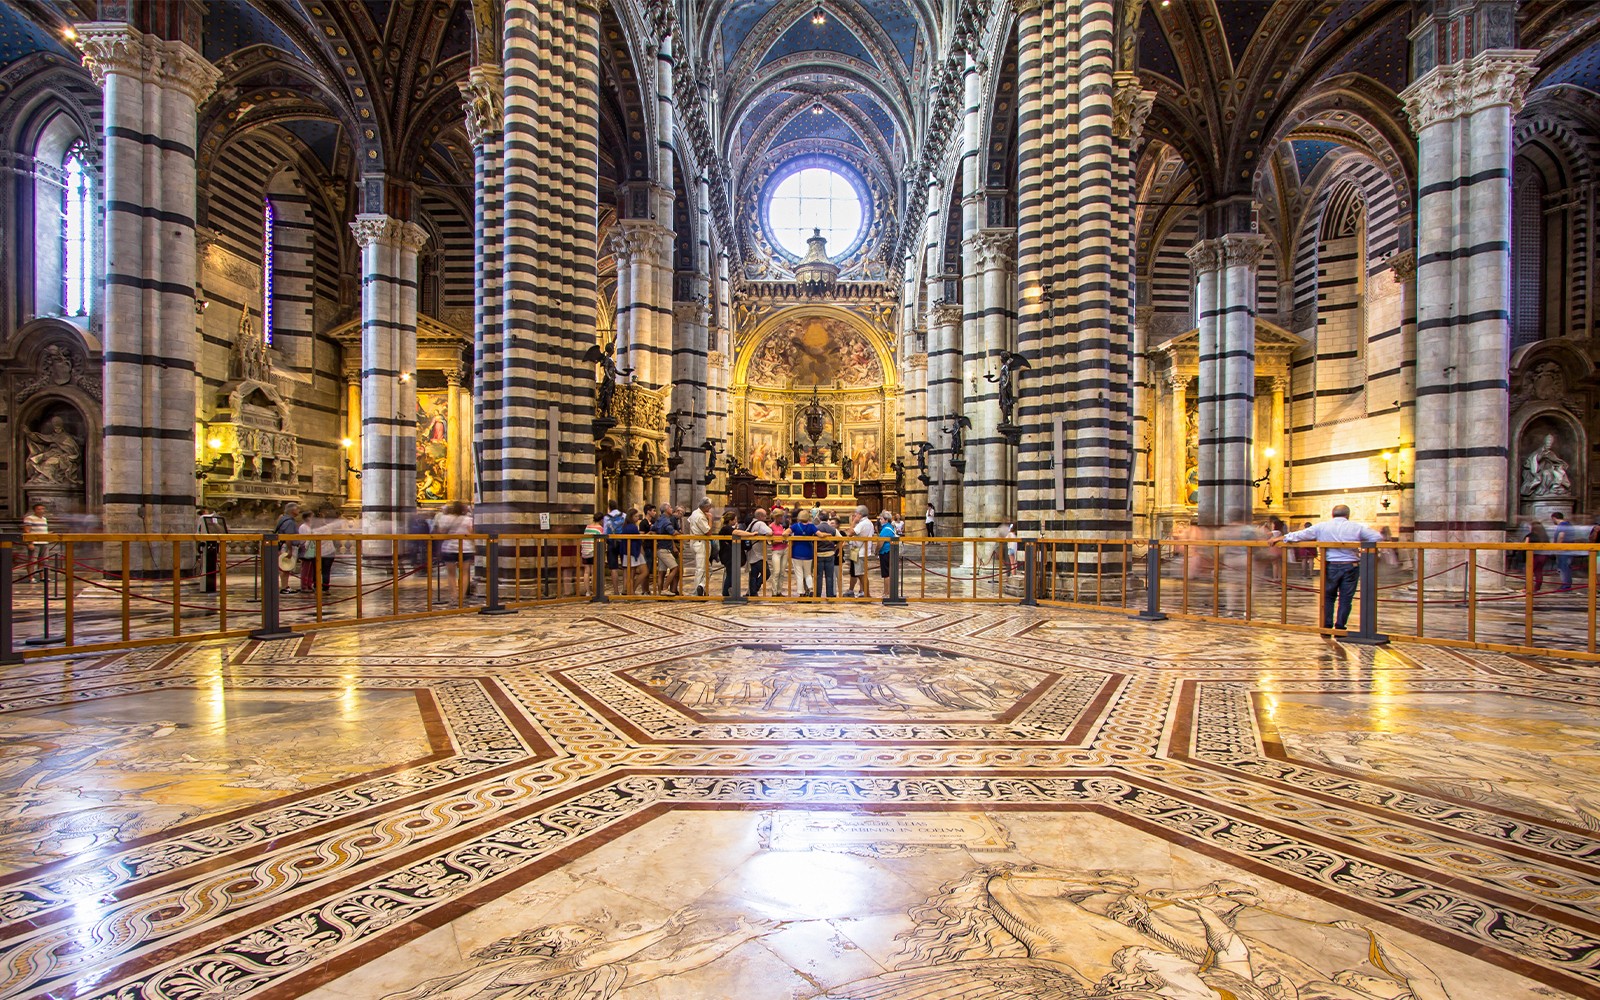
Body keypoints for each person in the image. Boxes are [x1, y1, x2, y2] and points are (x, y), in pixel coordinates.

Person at [1273, 505, 1382, 630]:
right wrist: (1361, 547)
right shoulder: (1355, 527)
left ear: (1332, 514)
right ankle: (1340, 626)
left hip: (1330, 565)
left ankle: (1326, 626)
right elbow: (1377, 537)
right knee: (1346, 598)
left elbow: (1301, 535)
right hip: (1351, 565)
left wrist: (1282, 537)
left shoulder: (1322, 526)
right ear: (1347, 515)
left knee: (1329, 597)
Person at [433, 500, 476, 602]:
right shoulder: (468, 519)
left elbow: (441, 532)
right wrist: (474, 546)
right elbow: (471, 534)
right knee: (464, 573)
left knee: (451, 573)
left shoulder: (445, 518)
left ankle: (453, 595)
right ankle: (462, 596)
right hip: (465, 548)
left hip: (449, 548)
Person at [733, 508, 773, 596]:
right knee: (766, 573)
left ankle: (752, 592)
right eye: (765, 515)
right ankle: (754, 589)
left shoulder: (752, 523)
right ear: (760, 516)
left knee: (754, 574)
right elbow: (769, 532)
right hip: (758, 553)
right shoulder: (760, 523)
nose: (766, 517)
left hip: (751, 551)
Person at [685, 498, 713, 596]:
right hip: (700, 543)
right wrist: (710, 519)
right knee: (700, 568)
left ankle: (701, 585)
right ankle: (696, 593)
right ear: (706, 506)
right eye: (709, 506)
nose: (710, 508)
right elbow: (708, 532)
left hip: (695, 542)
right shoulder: (700, 516)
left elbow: (688, 523)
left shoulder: (694, 512)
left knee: (708, 569)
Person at [652, 505, 681, 596]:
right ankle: (665, 588)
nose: (672, 509)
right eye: (670, 507)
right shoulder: (666, 521)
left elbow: (652, 529)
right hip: (665, 548)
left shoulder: (659, 519)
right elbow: (672, 531)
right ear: (666, 510)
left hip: (660, 547)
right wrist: (677, 533)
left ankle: (660, 593)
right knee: (675, 568)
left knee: (661, 572)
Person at [789, 508, 818, 596]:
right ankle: (811, 589)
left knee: (799, 574)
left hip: (796, 552)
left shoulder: (795, 526)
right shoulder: (811, 526)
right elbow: (820, 534)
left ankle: (801, 593)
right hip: (808, 552)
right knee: (808, 573)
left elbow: (785, 533)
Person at [274, 501, 302, 593]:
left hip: (284, 545)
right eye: (297, 509)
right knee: (285, 567)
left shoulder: (284, 519)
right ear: (293, 510)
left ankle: (285, 586)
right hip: (287, 546)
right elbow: (288, 537)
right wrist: (290, 550)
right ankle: (284, 587)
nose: (299, 510)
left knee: (286, 567)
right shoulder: (289, 522)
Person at [848, 505, 874, 598]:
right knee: (858, 573)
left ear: (860, 514)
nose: (854, 516)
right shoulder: (868, 522)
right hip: (857, 550)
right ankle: (863, 592)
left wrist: (853, 522)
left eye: (856, 514)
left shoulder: (863, 523)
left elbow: (850, 533)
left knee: (861, 574)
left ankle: (867, 594)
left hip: (860, 551)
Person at [1551, 511, 1581, 592]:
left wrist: (1557, 548)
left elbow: (1561, 536)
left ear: (1554, 518)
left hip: (1564, 550)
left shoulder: (1562, 525)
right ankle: (1566, 584)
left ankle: (1566, 586)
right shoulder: (1569, 525)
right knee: (1566, 568)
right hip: (1568, 550)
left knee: (1564, 568)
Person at [21, 502, 49, 584]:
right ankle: (31, 578)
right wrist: (30, 543)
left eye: (42, 509)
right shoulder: (29, 518)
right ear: (34, 510)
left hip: (44, 542)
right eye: (39, 509)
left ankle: (42, 577)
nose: (41, 510)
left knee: (43, 560)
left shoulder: (44, 519)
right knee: (32, 560)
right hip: (35, 542)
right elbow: (27, 531)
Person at [815, 512, 841, 598]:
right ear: (828, 519)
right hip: (830, 553)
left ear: (819, 518)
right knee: (829, 576)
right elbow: (841, 539)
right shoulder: (833, 529)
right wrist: (835, 548)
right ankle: (829, 594)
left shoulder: (816, 528)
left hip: (818, 553)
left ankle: (817, 594)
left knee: (818, 576)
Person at [580, 512, 604, 595]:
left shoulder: (587, 527)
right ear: (601, 520)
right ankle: (594, 590)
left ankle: (588, 591)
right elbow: (601, 540)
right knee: (594, 571)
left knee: (586, 571)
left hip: (585, 551)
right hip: (594, 551)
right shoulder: (600, 528)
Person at [717, 510, 739, 596]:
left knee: (731, 573)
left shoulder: (727, 528)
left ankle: (729, 591)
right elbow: (735, 533)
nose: (736, 521)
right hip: (727, 555)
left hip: (729, 554)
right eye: (735, 520)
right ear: (730, 521)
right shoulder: (726, 528)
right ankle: (725, 592)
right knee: (730, 573)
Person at [767, 510, 789, 595]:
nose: (781, 518)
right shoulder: (770, 527)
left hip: (785, 549)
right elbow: (770, 541)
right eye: (780, 517)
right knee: (776, 571)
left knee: (782, 572)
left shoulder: (781, 526)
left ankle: (779, 591)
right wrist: (781, 541)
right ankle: (774, 592)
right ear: (776, 517)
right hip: (776, 550)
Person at [1527, 520, 1551, 593]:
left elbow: (1525, 544)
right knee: (1538, 572)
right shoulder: (1545, 536)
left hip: (1533, 555)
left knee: (1529, 571)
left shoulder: (1531, 535)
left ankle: (1527, 587)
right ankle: (1537, 587)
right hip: (1543, 555)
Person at [877, 510, 899, 583]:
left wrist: (876, 551)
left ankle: (886, 593)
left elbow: (880, 542)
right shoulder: (890, 527)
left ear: (886, 520)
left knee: (886, 574)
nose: (880, 521)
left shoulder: (885, 529)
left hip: (885, 552)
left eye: (881, 519)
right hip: (890, 551)